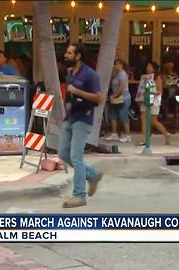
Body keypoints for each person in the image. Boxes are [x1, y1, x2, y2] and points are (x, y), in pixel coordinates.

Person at [59, 43, 103, 208]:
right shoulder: (70, 72)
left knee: (76, 157)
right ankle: (92, 175)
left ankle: (79, 195)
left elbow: (98, 98)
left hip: (83, 119)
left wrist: (78, 92)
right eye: (67, 51)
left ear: (78, 56)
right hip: (69, 117)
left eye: (69, 53)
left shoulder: (90, 75)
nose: (66, 55)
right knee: (63, 153)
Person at [135, 62, 172, 146]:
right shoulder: (145, 78)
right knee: (143, 118)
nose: (147, 68)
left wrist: (151, 93)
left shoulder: (157, 78)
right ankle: (143, 138)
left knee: (153, 121)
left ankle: (166, 134)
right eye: (147, 66)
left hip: (154, 100)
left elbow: (159, 91)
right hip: (145, 99)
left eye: (149, 66)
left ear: (154, 68)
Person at [105, 59, 131, 143]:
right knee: (113, 115)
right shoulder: (116, 74)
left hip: (123, 97)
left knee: (123, 116)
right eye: (114, 64)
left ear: (121, 65)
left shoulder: (122, 73)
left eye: (116, 64)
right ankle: (114, 134)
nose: (115, 66)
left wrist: (115, 95)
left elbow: (122, 86)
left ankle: (127, 135)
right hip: (115, 97)